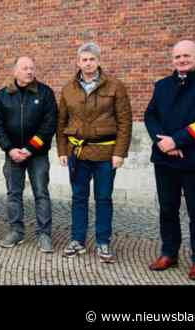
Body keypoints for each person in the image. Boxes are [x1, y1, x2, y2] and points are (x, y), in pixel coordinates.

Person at [144, 40, 195, 280]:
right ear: (172, 59)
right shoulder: (162, 86)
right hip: (164, 159)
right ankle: (169, 253)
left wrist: (177, 141)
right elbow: (150, 115)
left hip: (194, 161)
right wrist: (163, 143)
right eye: (178, 56)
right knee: (167, 209)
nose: (182, 60)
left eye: (186, 56)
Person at [57, 42, 132, 263]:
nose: (88, 63)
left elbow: (125, 121)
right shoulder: (68, 88)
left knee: (103, 198)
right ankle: (78, 240)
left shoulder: (115, 86)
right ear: (78, 62)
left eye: (92, 59)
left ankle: (103, 242)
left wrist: (120, 153)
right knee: (78, 198)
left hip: (106, 154)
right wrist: (62, 150)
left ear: (98, 61)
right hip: (77, 154)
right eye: (84, 59)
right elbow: (61, 122)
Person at [0, 56, 58, 253]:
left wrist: (30, 148)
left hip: (37, 155)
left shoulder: (45, 93)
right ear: (15, 72)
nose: (29, 71)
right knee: (14, 194)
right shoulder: (2, 95)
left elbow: (49, 124)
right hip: (12, 155)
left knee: (41, 193)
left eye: (32, 68)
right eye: (24, 68)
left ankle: (44, 234)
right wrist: (10, 149)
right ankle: (16, 231)